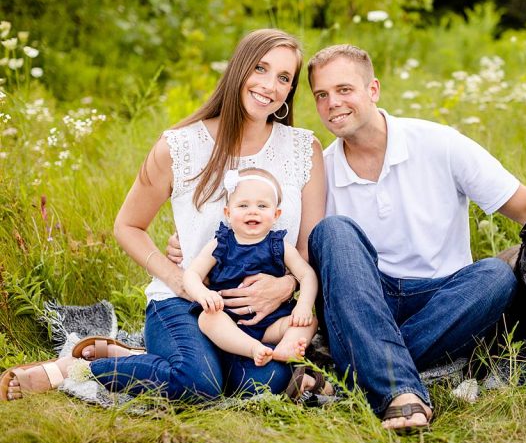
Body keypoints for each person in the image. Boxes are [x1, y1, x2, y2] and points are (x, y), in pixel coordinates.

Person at [0, 29, 327, 402]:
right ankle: (72, 369)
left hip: (259, 316)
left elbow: (307, 248)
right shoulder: (182, 145)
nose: (270, 85)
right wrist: (179, 279)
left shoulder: (304, 150)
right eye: (260, 68)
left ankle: (135, 356)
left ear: (289, 92)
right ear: (238, 70)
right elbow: (128, 226)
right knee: (197, 382)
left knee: (264, 381)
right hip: (183, 302)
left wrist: (287, 285)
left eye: (284, 78)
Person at [305, 44, 526, 431]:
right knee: (333, 231)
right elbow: (308, 254)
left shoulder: (439, 144)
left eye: (344, 89)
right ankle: (400, 388)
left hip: (445, 302)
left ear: (373, 89)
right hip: (364, 301)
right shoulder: (321, 169)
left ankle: (360, 370)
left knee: (496, 277)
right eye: (321, 95)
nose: (333, 103)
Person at [185, 167, 320, 368]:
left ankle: (286, 347)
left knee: (309, 322)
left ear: (276, 214)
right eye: (243, 205)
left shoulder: (280, 246)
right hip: (229, 320)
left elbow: (307, 275)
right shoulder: (220, 243)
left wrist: (303, 305)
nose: (253, 211)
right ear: (228, 213)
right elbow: (192, 273)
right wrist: (202, 293)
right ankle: (251, 348)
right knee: (207, 319)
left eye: (262, 206)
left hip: (271, 321)